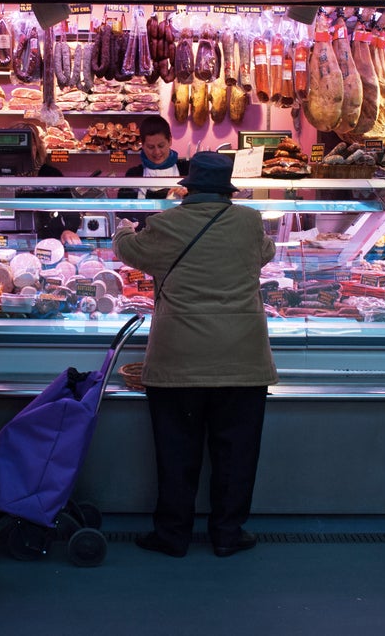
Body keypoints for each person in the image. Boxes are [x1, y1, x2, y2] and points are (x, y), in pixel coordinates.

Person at [111, 151, 277, 558]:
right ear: (227, 190)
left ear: (188, 187)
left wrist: (122, 230)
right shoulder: (249, 221)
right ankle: (228, 534)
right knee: (236, 455)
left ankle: (172, 535)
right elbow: (266, 253)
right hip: (242, 360)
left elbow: (129, 252)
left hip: (178, 361)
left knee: (177, 452)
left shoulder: (165, 224)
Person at [118, 116, 189, 200]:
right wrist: (162, 195)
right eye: (151, 147)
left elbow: (200, 206)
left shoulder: (187, 170)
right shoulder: (133, 174)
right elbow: (123, 211)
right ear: (143, 145)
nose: (157, 152)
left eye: (161, 146)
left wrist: (187, 195)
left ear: (170, 141)